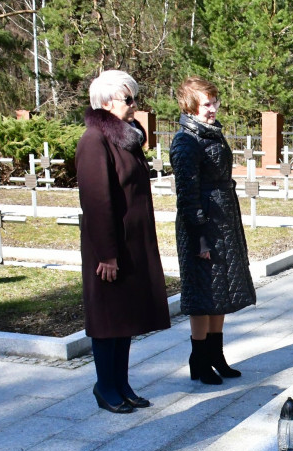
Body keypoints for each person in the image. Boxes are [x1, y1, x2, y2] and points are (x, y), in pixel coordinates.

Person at [77, 70, 170, 412]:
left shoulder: (124, 138)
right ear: (105, 103)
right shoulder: (94, 140)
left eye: (134, 98)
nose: (135, 105)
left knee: (125, 317)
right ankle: (105, 386)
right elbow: (97, 200)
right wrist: (107, 254)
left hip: (131, 244)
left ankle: (121, 382)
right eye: (128, 99)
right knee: (108, 318)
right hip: (110, 248)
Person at [169, 77, 256, 384]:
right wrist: (200, 238)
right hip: (202, 226)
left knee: (219, 291)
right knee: (202, 293)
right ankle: (199, 360)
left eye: (215, 102)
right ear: (190, 105)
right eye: (207, 103)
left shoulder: (212, 135)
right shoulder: (186, 141)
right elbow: (187, 196)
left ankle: (216, 356)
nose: (213, 108)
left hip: (222, 222)